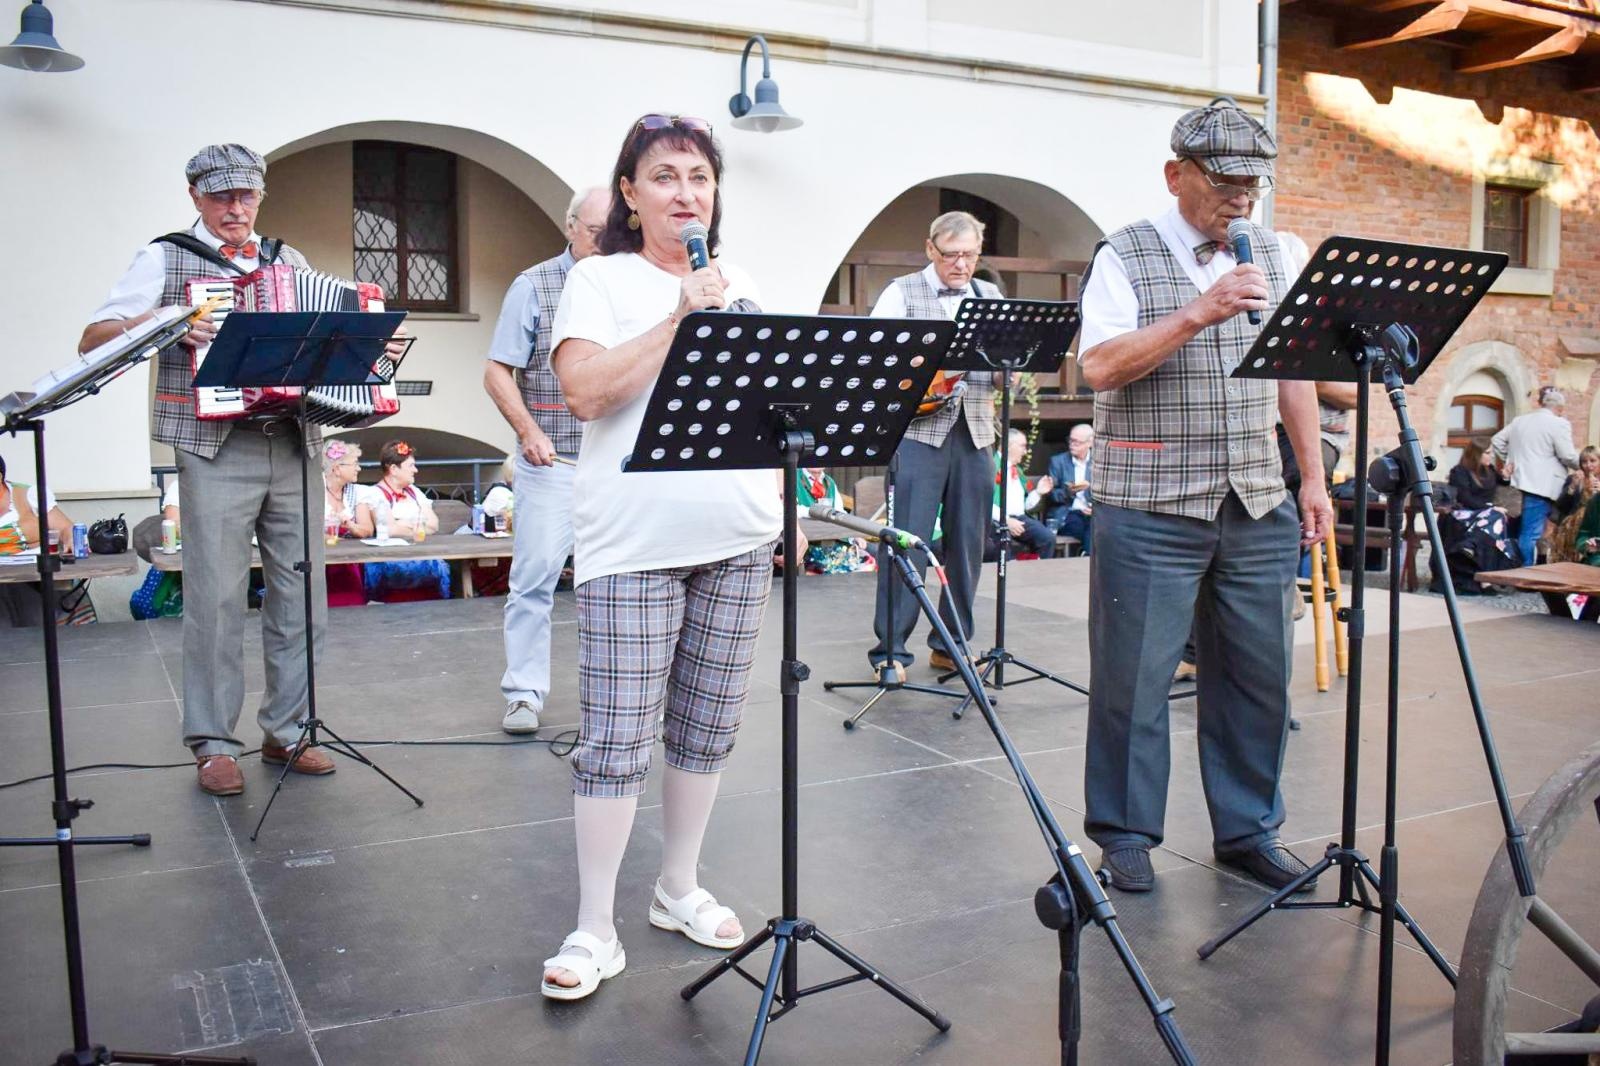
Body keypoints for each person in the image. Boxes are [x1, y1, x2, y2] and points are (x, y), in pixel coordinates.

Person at [539, 114, 785, 1001]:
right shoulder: (597, 280)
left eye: (701, 177)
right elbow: (582, 393)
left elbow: (770, 399)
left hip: (738, 535)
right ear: (633, 194)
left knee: (708, 725)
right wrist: (680, 319)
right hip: (633, 544)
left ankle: (677, 885)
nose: (687, 192)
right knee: (616, 739)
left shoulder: (740, 281)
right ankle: (594, 925)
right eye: (667, 176)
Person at [1075, 99, 1332, 895]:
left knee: (1259, 680)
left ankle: (1249, 830)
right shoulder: (1125, 254)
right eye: (1224, 181)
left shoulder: (1276, 254)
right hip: (1149, 504)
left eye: (1252, 183)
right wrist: (1199, 311)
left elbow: (1291, 372)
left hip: (1256, 500)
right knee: (1134, 681)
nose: (1241, 198)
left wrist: (1312, 476)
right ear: (1175, 174)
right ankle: (1124, 837)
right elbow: (1100, 367)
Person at [78, 143, 378, 795]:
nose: (235, 208)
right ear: (195, 197)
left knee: (302, 593)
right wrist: (165, 321)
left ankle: (289, 729)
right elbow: (94, 338)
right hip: (214, 443)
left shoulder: (286, 260)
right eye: (221, 196)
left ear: (260, 196)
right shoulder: (164, 257)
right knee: (213, 598)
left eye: (245, 196)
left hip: (293, 438)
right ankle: (213, 740)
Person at [484, 185, 610, 735]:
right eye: (595, 232)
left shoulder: (628, 282)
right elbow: (497, 371)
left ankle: (615, 696)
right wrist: (528, 430)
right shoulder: (534, 285)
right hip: (553, 462)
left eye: (614, 232)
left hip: (617, 466)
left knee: (617, 585)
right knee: (534, 580)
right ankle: (524, 695)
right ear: (569, 227)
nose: (605, 243)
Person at [866, 211, 1004, 678]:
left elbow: (1008, 364)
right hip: (919, 433)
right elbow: (877, 362)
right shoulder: (900, 293)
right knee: (907, 541)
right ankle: (890, 650)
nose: (961, 265)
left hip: (978, 433)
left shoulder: (990, 296)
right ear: (930, 249)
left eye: (969, 255)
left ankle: (951, 641)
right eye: (951, 255)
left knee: (969, 543)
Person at [1491, 386, 1580, 567]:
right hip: (1546, 485)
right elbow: (1567, 455)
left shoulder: (1520, 421)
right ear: (1560, 408)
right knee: (1531, 532)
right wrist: (1587, 466)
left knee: (1533, 530)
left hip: (1521, 481)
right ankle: (1526, 571)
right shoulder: (1558, 423)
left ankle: (1532, 566)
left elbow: (1497, 440)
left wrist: (1512, 461)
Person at [360, 440, 448, 602]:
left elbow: (434, 524)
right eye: (411, 466)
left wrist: (402, 523)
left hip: (421, 552)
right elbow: (390, 530)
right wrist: (418, 525)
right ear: (393, 469)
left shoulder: (414, 491)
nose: (416, 470)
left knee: (439, 564)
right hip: (389, 556)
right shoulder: (375, 494)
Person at [0, 452, 78, 627]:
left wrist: (71, 540)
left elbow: (66, 527)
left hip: (35, 578)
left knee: (37, 622)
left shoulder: (27, 495)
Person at [1434, 441, 1516, 593]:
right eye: (1487, 453)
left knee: (1495, 520)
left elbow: (1501, 481)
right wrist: (1489, 508)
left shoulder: (1489, 470)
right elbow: (1465, 498)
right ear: (1476, 455)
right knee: (1496, 517)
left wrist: (1505, 476)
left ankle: (1470, 545)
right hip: (1464, 513)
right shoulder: (1459, 472)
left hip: (1483, 516)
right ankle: (1484, 578)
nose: (1491, 456)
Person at [989, 427, 1055, 561]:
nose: (1025, 452)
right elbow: (982, 503)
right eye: (1023, 446)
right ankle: (1010, 575)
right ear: (1010, 446)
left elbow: (1025, 506)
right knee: (1003, 541)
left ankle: (1036, 573)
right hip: (995, 520)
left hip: (1019, 518)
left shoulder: (1017, 471)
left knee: (1047, 538)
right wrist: (1006, 521)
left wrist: (1038, 492)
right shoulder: (990, 467)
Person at [322, 439, 373, 607]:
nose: (358, 468)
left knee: (351, 597)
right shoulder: (315, 490)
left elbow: (367, 530)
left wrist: (350, 525)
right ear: (337, 469)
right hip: (319, 559)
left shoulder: (358, 492)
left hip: (349, 558)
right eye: (354, 464)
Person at [1046, 424, 1094, 553]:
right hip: (1067, 513)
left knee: (1098, 525)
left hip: (1092, 513)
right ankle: (1087, 557)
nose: (1072, 444)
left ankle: (1086, 555)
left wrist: (1095, 507)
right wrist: (1069, 492)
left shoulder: (1098, 462)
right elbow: (1051, 495)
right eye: (1070, 440)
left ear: (1090, 443)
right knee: (1087, 527)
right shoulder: (1058, 462)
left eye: (1077, 442)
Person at [1550, 446, 1600, 565]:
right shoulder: (1574, 478)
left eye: (1592, 461)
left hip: (1592, 526)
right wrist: (1572, 487)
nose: (1588, 465)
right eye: (1584, 462)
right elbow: (1561, 506)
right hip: (1572, 526)